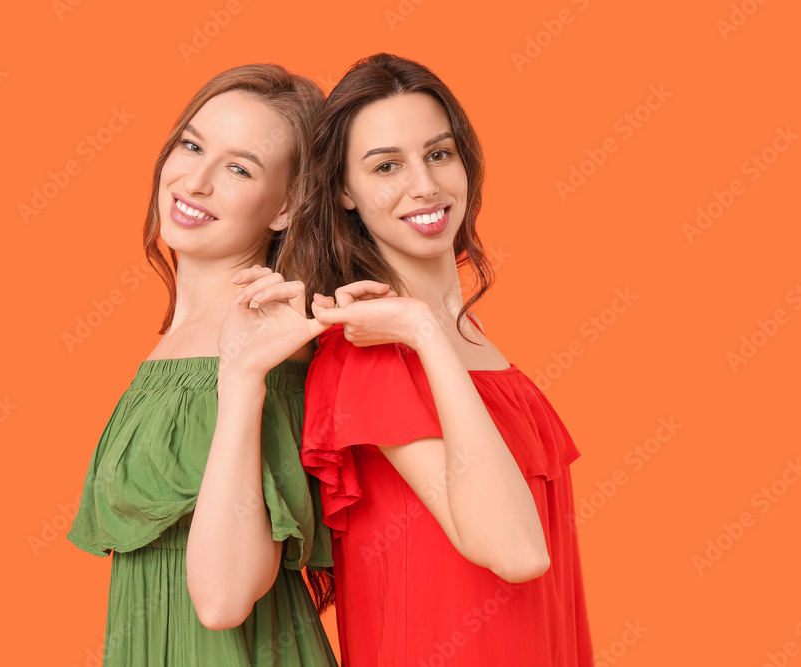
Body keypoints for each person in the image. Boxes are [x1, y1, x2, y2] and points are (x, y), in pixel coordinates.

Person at [279, 53, 593, 665]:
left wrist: (432, 331)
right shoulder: (366, 356)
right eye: (386, 166)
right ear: (343, 191)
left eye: (439, 154)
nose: (424, 184)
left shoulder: (472, 339)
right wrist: (422, 329)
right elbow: (516, 552)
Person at [67, 63, 337, 666]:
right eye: (192, 146)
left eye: (239, 168)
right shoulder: (180, 341)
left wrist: (242, 378)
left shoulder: (263, 351)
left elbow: (222, 600)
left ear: (287, 207)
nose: (195, 181)